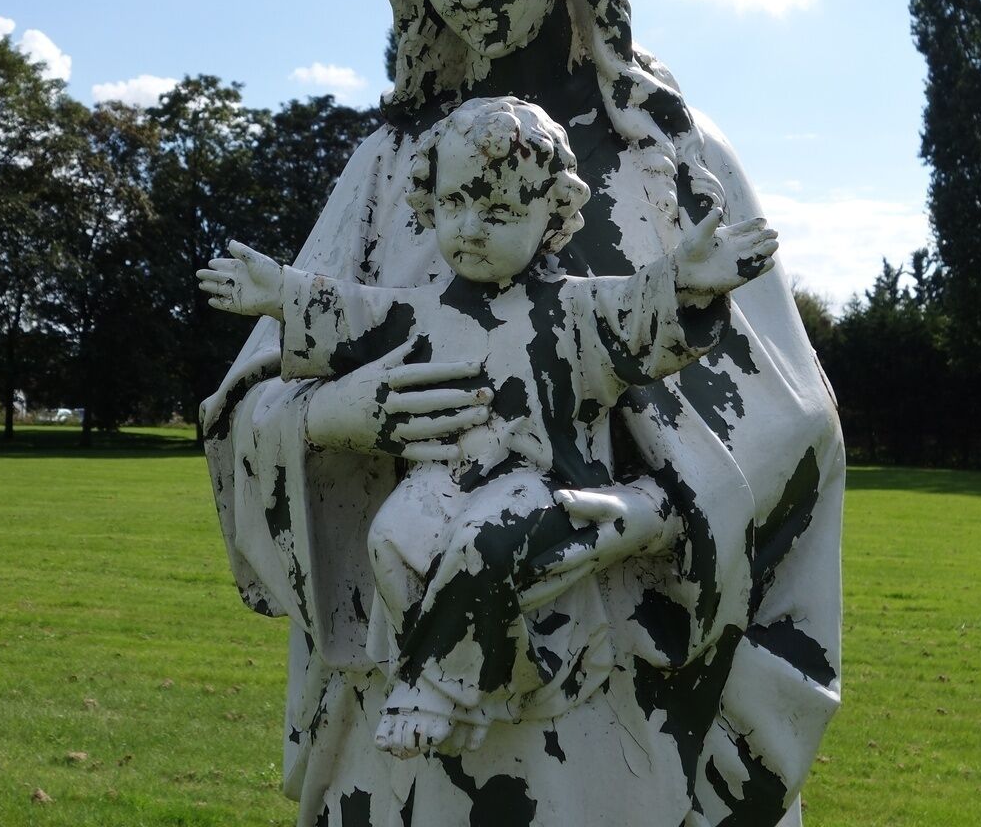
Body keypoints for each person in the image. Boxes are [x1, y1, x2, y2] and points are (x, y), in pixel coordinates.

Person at [202, 0, 843, 827]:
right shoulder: (384, 168)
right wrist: (328, 417)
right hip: (398, 740)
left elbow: (793, 421)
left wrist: (645, 512)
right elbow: (252, 401)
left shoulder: (664, 153)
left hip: (613, 701)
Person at [200, 95, 780, 760]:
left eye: (500, 212)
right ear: (432, 202)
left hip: (539, 483)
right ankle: (494, 675)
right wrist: (279, 290)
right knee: (392, 541)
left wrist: (686, 283)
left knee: (483, 540)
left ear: (552, 214)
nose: (471, 229)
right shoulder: (423, 312)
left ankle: (433, 686)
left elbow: (640, 312)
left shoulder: (573, 310)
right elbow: (354, 316)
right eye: (454, 206)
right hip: (442, 479)